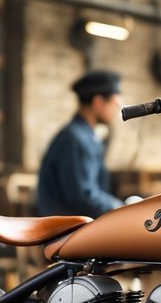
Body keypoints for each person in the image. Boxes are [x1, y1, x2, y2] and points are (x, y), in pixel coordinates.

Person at [36, 70, 125, 217]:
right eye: (115, 102)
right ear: (98, 103)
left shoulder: (82, 136)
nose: (118, 109)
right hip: (65, 232)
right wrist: (120, 207)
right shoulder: (75, 139)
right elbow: (83, 197)